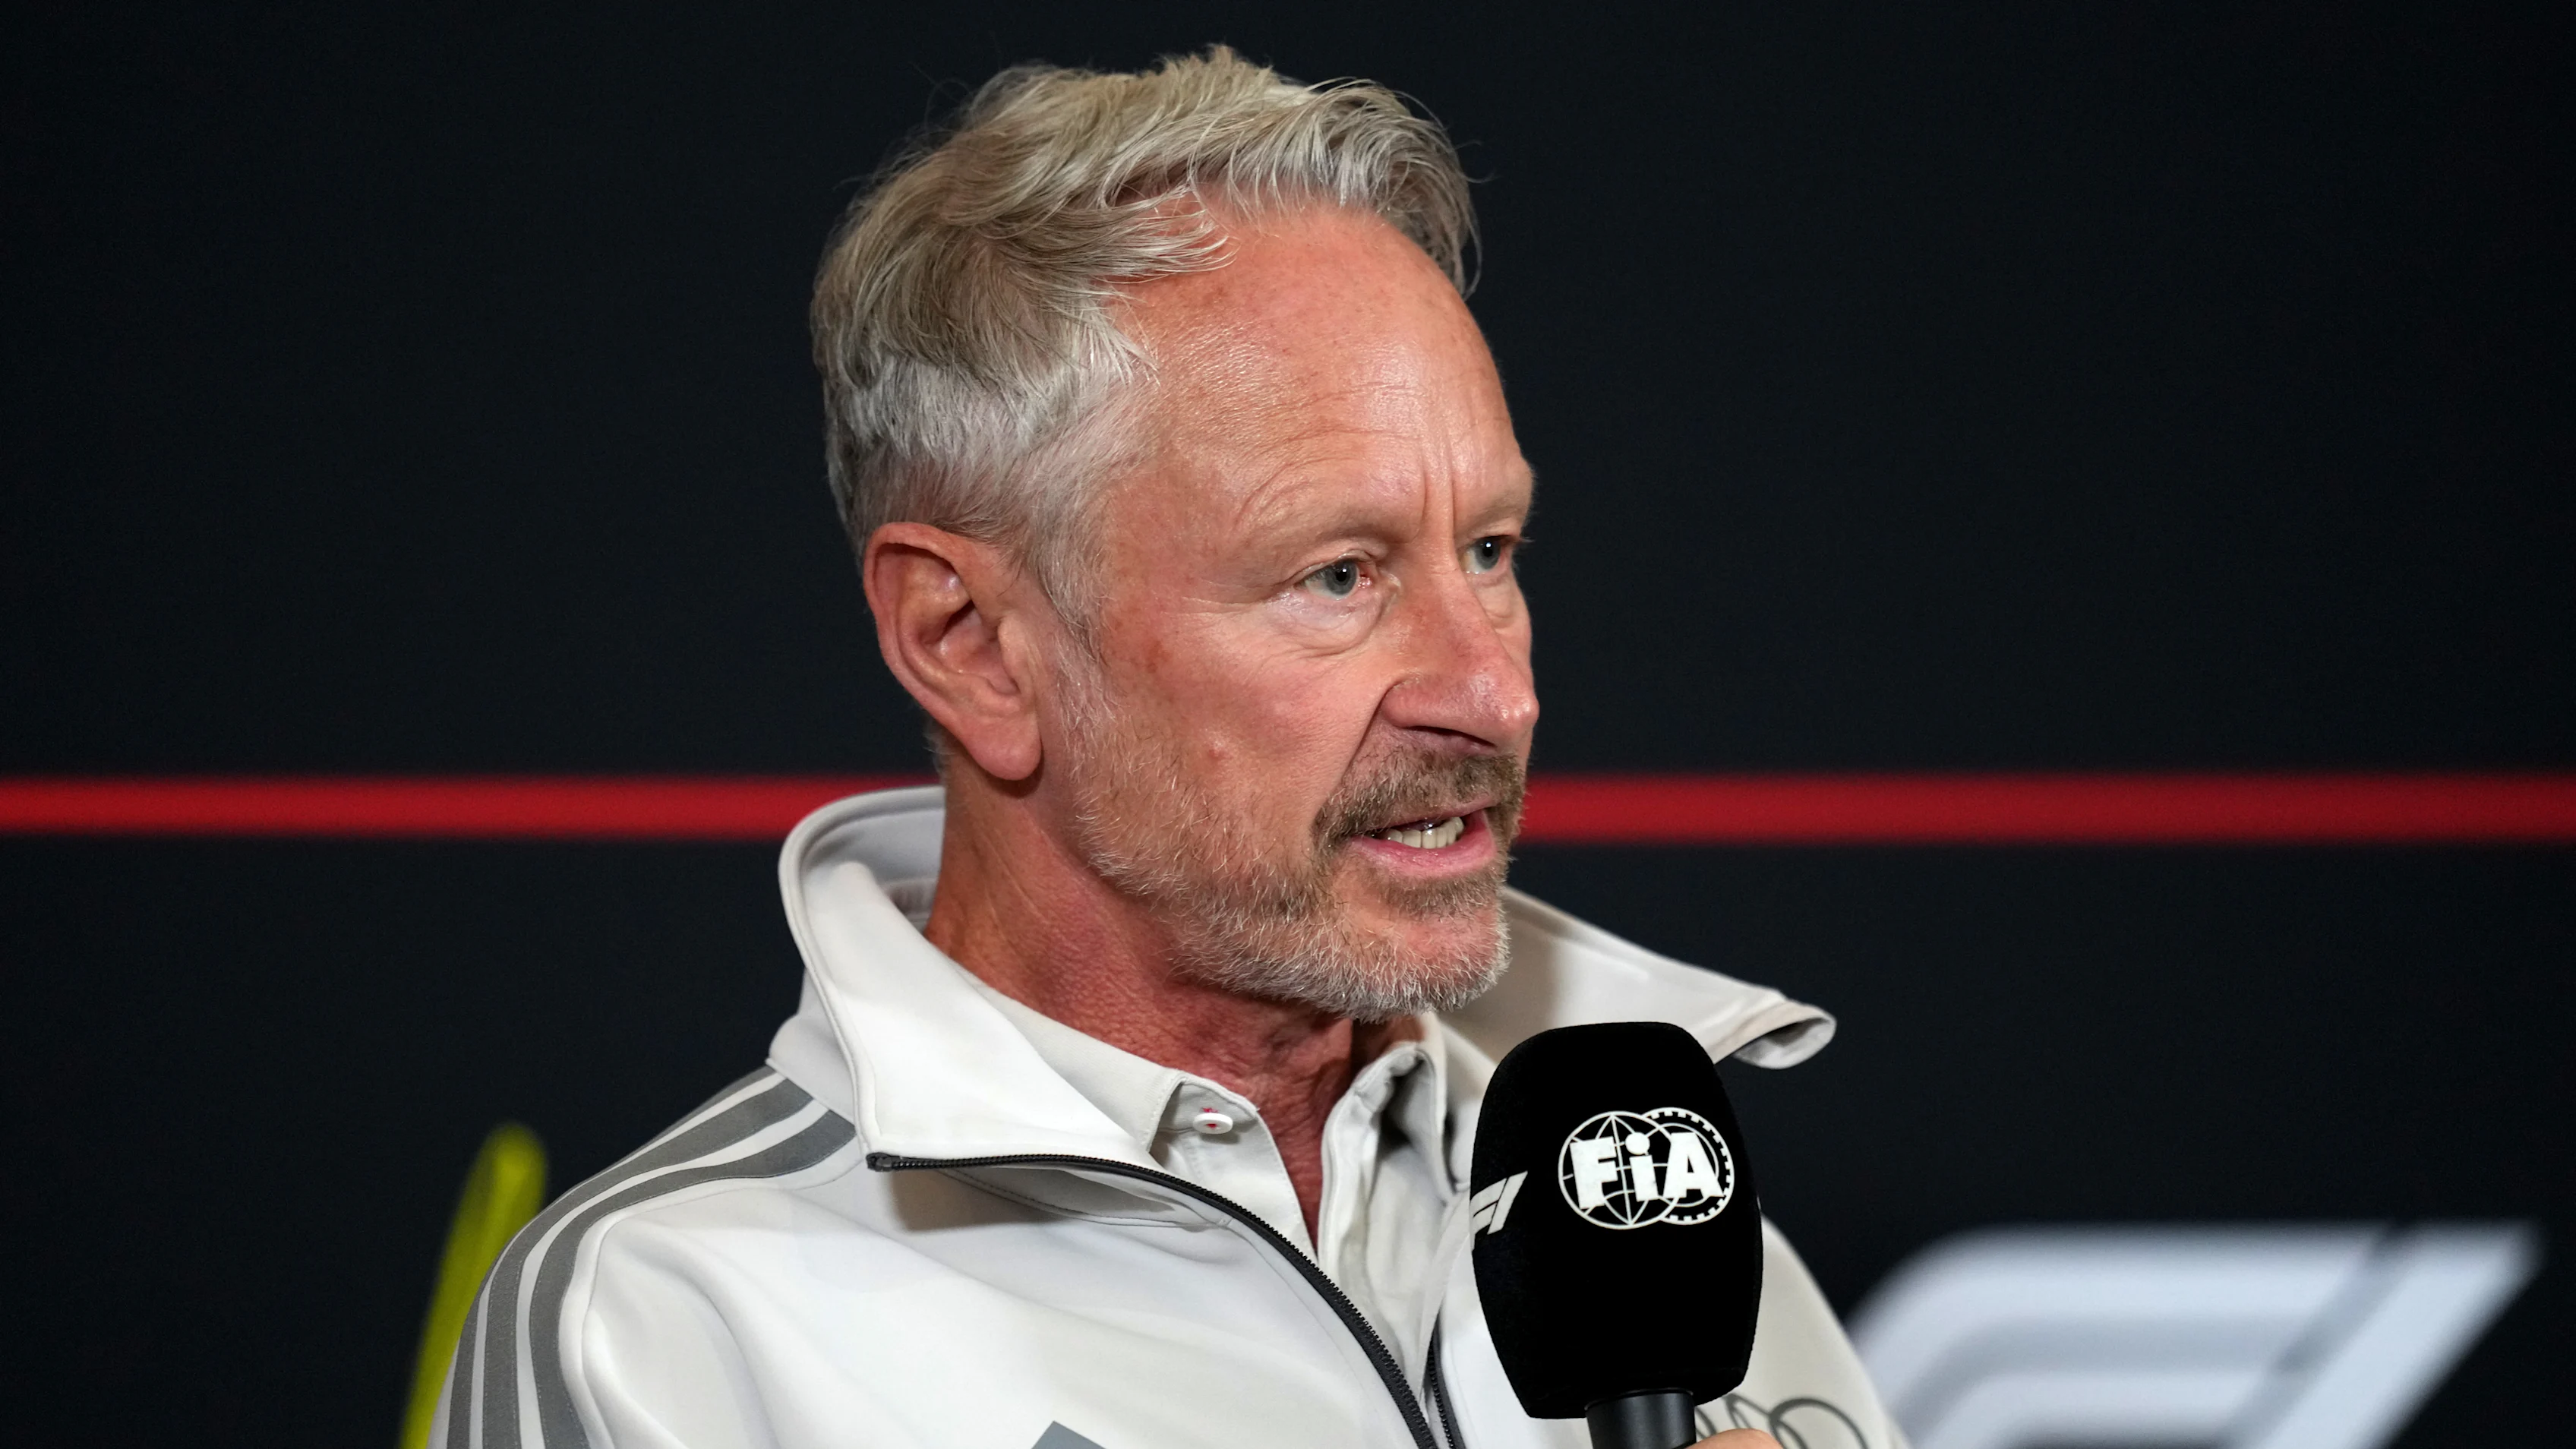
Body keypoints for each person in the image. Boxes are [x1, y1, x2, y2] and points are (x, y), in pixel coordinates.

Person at [434, 48, 1900, 1449]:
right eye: (1340, 575)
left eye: (1492, 548)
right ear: (971, 644)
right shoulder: (673, 1326)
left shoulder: (1647, 1215)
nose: (1493, 694)